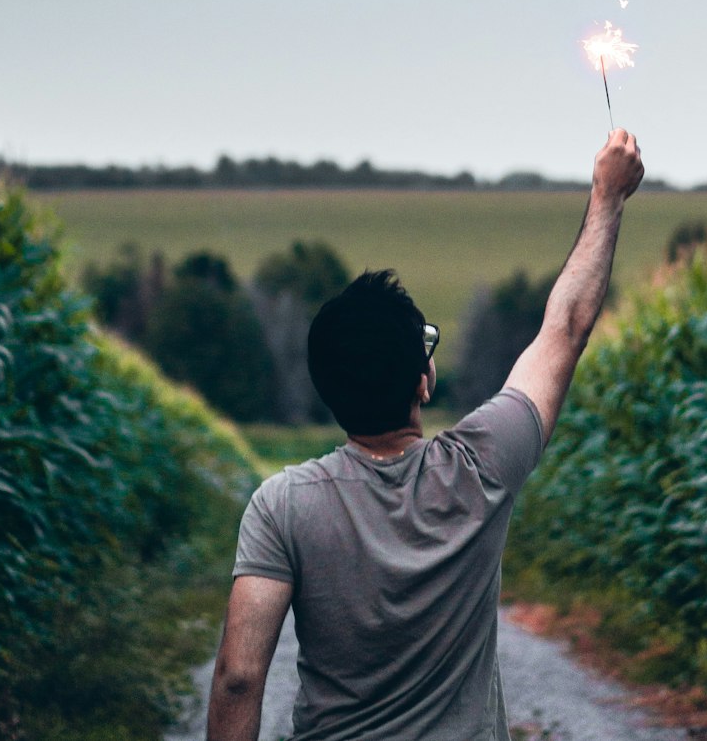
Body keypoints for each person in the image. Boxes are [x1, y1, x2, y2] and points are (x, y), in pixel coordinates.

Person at [206, 128, 644, 741]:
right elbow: (565, 327)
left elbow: (238, 678)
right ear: (423, 379)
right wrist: (607, 198)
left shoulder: (282, 506)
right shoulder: (485, 463)